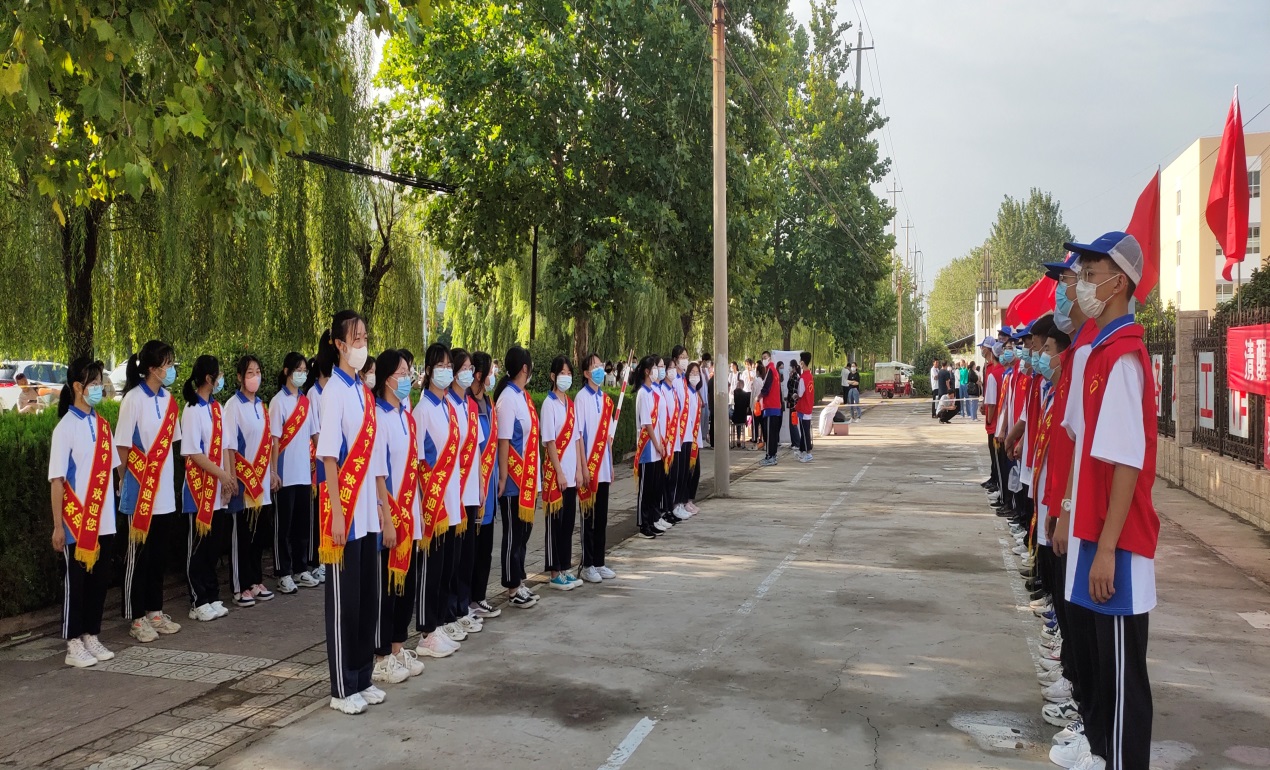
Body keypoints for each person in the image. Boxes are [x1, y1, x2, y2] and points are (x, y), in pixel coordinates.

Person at [1052, 233, 1158, 770]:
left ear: (1120, 282)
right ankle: (1103, 754)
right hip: (1099, 533)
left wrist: (1109, 547)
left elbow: (1126, 463)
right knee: (1106, 669)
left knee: (1122, 684)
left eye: (1092, 274)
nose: (1084, 284)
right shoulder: (1105, 352)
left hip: (1116, 541)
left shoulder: (1121, 357)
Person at [316, 310, 386, 715]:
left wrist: (381, 506)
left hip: (368, 515)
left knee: (365, 599)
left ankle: (362, 676)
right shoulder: (333, 393)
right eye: (356, 338)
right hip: (343, 511)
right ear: (339, 345)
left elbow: (373, 459)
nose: (362, 344)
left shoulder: (363, 391)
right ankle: (341, 688)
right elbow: (328, 458)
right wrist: (338, 514)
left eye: (365, 336)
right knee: (343, 602)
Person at [49, 356, 121, 667]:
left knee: (98, 581)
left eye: (100, 382)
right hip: (76, 522)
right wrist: (57, 526)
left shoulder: (102, 425)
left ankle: (92, 633)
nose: (99, 388)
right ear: (78, 387)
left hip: (103, 521)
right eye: (93, 383)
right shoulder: (64, 428)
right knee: (75, 583)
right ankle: (73, 642)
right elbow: (57, 481)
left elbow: (115, 471)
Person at [117, 340, 183, 642]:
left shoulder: (170, 401)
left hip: (165, 494)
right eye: (168, 364)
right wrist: (124, 480)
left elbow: (172, 443)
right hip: (140, 491)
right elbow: (122, 446)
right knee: (138, 557)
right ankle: (135, 616)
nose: (171, 369)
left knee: (158, 556)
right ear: (154, 368)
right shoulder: (132, 399)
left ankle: (155, 610)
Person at [370, 349, 425, 686]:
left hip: (411, 514)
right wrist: (388, 517)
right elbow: (377, 473)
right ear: (387, 378)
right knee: (386, 589)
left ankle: (397, 647)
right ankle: (379, 657)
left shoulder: (406, 416)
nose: (406, 378)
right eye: (401, 373)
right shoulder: (378, 416)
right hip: (391, 514)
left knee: (406, 586)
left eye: (408, 372)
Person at [414, 343, 466, 654]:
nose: (447, 370)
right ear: (430, 370)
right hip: (432, 503)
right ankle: (425, 632)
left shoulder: (447, 406)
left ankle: (438, 623)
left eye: (450, 365)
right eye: (442, 365)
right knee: (430, 570)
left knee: (446, 567)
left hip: (450, 498)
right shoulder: (422, 410)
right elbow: (419, 461)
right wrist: (424, 503)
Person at [181, 355, 235, 623]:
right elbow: (193, 453)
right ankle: (197, 599)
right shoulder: (191, 409)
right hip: (198, 490)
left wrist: (227, 480)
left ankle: (212, 595)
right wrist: (222, 475)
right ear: (208, 379)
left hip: (217, 490)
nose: (221, 379)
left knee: (215, 545)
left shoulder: (217, 408)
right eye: (219, 374)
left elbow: (224, 446)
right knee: (199, 547)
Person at [225, 355, 275, 607]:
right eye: (249, 373)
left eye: (257, 371)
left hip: (262, 483)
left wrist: (272, 472)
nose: (254, 377)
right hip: (245, 482)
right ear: (240, 377)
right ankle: (239, 586)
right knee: (242, 536)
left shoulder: (261, 406)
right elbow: (231, 446)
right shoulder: (233, 405)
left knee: (257, 536)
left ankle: (255, 581)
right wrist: (232, 477)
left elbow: (268, 442)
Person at [494, 345, 541, 608]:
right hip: (513, 480)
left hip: (528, 479)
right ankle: (512, 587)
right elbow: (504, 441)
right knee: (513, 534)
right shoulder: (508, 399)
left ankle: (520, 581)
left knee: (524, 532)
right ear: (525, 368)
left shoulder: (523, 396)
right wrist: (503, 476)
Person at [269, 353, 320, 595]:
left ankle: (301, 568)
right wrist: (273, 471)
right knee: (284, 526)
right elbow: (275, 440)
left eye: (304, 370)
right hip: (285, 474)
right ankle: (283, 572)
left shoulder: (305, 402)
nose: (302, 374)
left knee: (302, 525)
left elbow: (314, 435)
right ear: (287, 371)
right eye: (298, 370)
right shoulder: (278, 401)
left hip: (303, 473)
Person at [446, 348, 486, 635]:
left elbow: (479, 451)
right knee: (453, 557)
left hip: (471, 490)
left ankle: (462, 607)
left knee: (467, 554)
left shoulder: (470, 406)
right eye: (463, 368)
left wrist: (482, 484)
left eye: (471, 368)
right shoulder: (445, 405)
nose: (468, 373)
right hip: (452, 493)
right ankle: (451, 611)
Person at [540, 356, 583, 590]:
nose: (565, 377)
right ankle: (554, 571)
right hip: (555, 475)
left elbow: (576, 437)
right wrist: (559, 473)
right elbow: (550, 442)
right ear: (553, 376)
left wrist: (577, 468)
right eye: (562, 373)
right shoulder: (549, 404)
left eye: (569, 373)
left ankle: (565, 567)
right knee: (554, 524)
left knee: (568, 523)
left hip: (571, 472)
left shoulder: (570, 403)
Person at [467, 351, 502, 619]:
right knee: (472, 547)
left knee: (486, 544)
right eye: (489, 372)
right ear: (478, 375)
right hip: (472, 484)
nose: (492, 377)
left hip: (489, 484)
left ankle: (480, 596)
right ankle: (468, 599)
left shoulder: (488, 403)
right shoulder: (467, 404)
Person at [576, 353, 617, 583]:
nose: (599, 369)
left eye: (601, 365)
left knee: (601, 517)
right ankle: (588, 563)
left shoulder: (606, 400)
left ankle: (600, 562)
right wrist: (583, 467)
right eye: (594, 366)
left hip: (603, 467)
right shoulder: (581, 398)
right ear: (586, 373)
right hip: (588, 466)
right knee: (588, 518)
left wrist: (610, 465)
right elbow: (579, 436)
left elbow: (608, 439)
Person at [632, 355, 666, 539]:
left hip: (656, 447)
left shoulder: (653, 391)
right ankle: (643, 523)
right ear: (647, 371)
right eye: (653, 368)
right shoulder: (643, 394)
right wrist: (657, 444)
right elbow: (648, 424)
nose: (656, 372)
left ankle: (652, 519)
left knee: (654, 486)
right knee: (645, 488)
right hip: (647, 446)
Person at [676, 360, 704, 513]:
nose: (695, 375)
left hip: (694, 436)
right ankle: (683, 500)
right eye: (692, 373)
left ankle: (689, 499)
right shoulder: (685, 391)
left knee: (696, 470)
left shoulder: (695, 393)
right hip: (685, 435)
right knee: (688, 470)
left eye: (697, 373)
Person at [758, 353, 782, 466]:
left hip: (770, 407)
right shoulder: (774, 371)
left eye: (766, 357)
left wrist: (758, 397)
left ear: (770, 358)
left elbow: (766, 388)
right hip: (775, 407)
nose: (764, 359)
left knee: (769, 434)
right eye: (763, 358)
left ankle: (769, 456)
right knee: (773, 434)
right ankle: (773, 455)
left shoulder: (770, 371)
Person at [730, 373, 750, 449]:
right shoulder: (746, 395)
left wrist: (736, 387)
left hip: (735, 417)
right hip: (743, 417)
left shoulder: (736, 392)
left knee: (729, 411)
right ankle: (738, 439)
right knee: (739, 419)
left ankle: (735, 439)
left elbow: (735, 392)